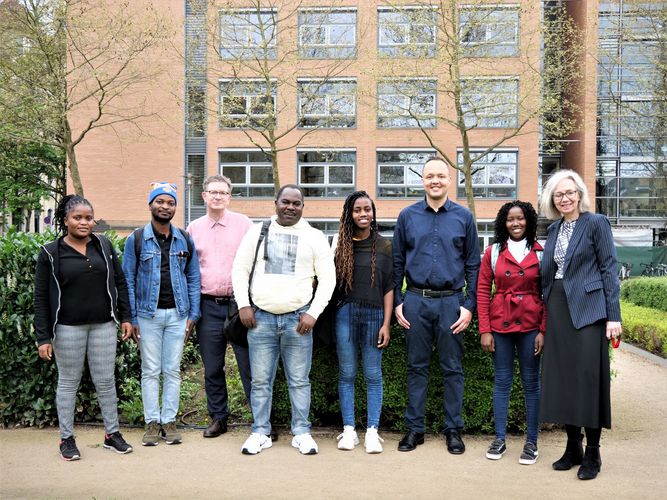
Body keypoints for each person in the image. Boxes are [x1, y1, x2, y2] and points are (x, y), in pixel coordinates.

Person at [232, 185, 335, 455]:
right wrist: (243, 305)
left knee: (300, 380)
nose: (290, 207)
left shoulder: (314, 237)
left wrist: (313, 313)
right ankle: (260, 432)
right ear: (275, 202)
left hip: (297, 321)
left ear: (303, 206)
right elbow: (240, 270)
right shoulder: (257, 232)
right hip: (260, 319)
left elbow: (328, 278)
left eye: (296, 203)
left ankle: (301, 432)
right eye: (285, 202)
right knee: (260, 381)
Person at [34, 195, 134, 461]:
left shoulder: (103, 244)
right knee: (68, 383)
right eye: (77, 217)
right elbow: (41, 298)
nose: (84, 222)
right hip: (67, 329)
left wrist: (125, 317)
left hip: (103, 325)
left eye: (88, 218)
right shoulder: (50, 252)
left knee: (106, 382)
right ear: (65, 220)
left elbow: (120, 283)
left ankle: (112, 435)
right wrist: (43, 336)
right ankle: (66, 439)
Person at [393, 156, 480, 454]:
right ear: (423, 180)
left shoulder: (464, 217)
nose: (435, 181)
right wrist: (399, 301)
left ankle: (453, 429)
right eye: (430, 176)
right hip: (416, 301)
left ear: (449, 179)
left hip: (451, 304)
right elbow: (397, 263)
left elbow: (473, 265)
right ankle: (415, 429)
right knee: (416, 367)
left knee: (452, 368)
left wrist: (469, 305)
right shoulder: (407, 216)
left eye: (440, 176)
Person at [539, 169, 622, 480]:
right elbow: (548, 273)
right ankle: (573, 446)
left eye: (570, 193)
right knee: (563, 379)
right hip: (558, 307)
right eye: (559, 194)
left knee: (587, 380)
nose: (565, 198)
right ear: (552, 199)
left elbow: (609, 269)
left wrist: (614, 316)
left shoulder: (596, 223)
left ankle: (593, 453)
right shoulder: (554, 229)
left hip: (589, 310)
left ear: (580, 194)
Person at [122, 182, 201, 447]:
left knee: (173, 370)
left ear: (175, 207)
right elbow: (128, 281)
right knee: (150, 370)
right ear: (151, 204)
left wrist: (193, 312)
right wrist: (132, 318)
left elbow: (193, 277)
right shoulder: (135, 239)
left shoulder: (184, 238)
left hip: (178, 315)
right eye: (160, 202)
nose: (165, 207)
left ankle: (169, 421)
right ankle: (151, 423)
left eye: (170, 202)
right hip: (148, 316)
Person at [476, 201, 545, 465]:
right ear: (503, 223)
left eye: (520, 218)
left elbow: (547, 293)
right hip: (500, 325)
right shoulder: (493, 252)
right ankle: (499, 438)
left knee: (531, 384)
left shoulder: (541, 252)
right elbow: (483, 291)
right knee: (502, 382)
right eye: (510, 219)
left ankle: (532, 442)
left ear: (528, 220)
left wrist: (543, 330)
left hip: (530, 326)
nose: (515, 223)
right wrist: (485, 330)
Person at [187, 175, 253, 438]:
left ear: (229, 197)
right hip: (208, 306)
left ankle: (260, 420)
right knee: (213, 367)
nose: (217, 196)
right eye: (212, 192)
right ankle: (218, 417)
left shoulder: (244, 225)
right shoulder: (192, 229)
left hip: (240, 306)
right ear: (204, 196)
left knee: (249, 366)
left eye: (223, 193)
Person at [333, 191, 393, 454]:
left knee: (372, 374)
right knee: (347, 374)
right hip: (345, 314)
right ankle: (348, 430)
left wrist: (387, 323)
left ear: (373, 212)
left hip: (375, 315)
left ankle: (371, 431)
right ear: (349, 213)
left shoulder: (384, 245)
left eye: (367, 209)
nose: (363, 214)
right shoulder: (339, 244)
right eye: (357, 210)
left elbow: (389, 287)